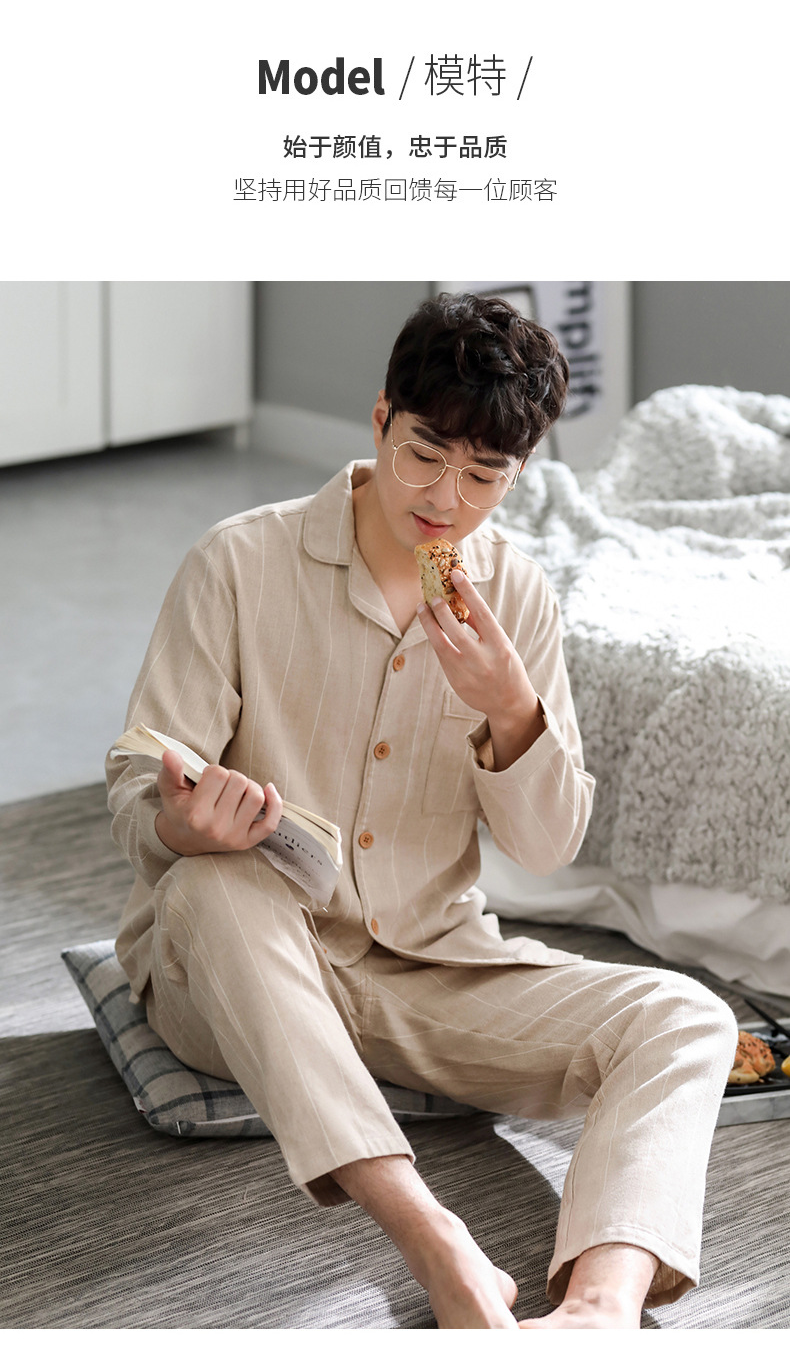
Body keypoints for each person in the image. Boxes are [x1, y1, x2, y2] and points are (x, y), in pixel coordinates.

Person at [107, 292, 737, 1329]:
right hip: (238, 968)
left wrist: (511, 708)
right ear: (379, 421)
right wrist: (185, 825)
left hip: (434, 971)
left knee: (686, 1016)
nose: (445, 497)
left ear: (518, 474)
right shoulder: (239, 562)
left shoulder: (516, 597)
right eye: (424, 454)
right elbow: (140, 794)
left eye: (484, 475)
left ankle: (600, 1306)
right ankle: (435, 1240)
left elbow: (545, 844)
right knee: (210, 889)